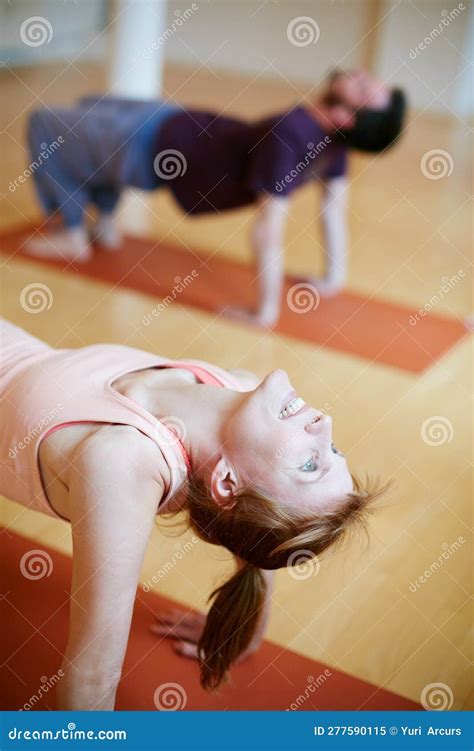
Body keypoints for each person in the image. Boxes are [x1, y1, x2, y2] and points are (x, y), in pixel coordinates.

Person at [1, 318, 387, 709]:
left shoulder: (126, 460)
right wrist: (247, 626)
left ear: (226, 483)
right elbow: (261, 522)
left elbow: (94, 674)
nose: (326, 424)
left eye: (309, 464)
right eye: (333, 451)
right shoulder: (233, 385)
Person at [24, 69, 406, 327]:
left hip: (147, 146)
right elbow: (332, 213)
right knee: (92, 104)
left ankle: (72, 232)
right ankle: (103, 223)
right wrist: (333, 279)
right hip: (174, 123)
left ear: (344, 118)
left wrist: (265, 312)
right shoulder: (332, 147)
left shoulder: (293, 133)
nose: (358, 73)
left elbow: (268, 228)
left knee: (44, 122)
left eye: (363, 87)